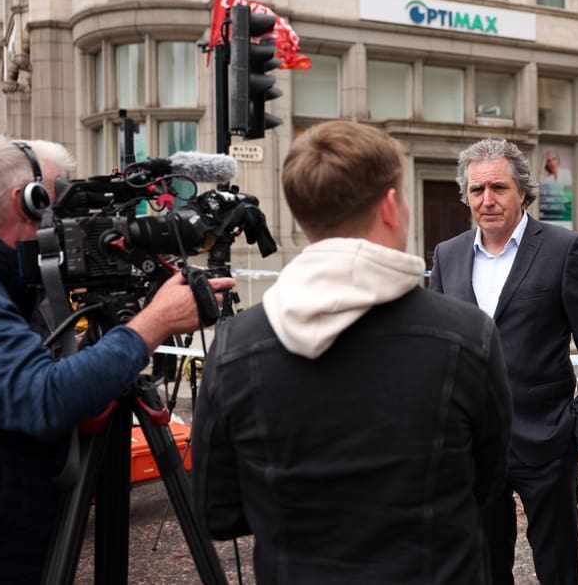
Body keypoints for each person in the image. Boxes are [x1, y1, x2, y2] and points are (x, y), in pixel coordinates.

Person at [191, 121, 512, 585]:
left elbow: (217, 512)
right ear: (389, 207)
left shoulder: (237, 345)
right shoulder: (467, 337)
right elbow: (486, 482)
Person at [0, 133, 235, 583]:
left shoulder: (12, 282)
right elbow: (42, 397)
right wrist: (154, 324)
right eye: (56, 204)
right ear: (25, 201)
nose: (65, 221)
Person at [429, 138, 578, 585]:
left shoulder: (562, 249)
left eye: (498, 188)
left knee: (558, 566)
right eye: (477, 190)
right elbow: (438, 347)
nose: (487, 200)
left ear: (522, 192)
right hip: (473, 448)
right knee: (486, 567)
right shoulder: (447, 254)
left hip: (547, 441)